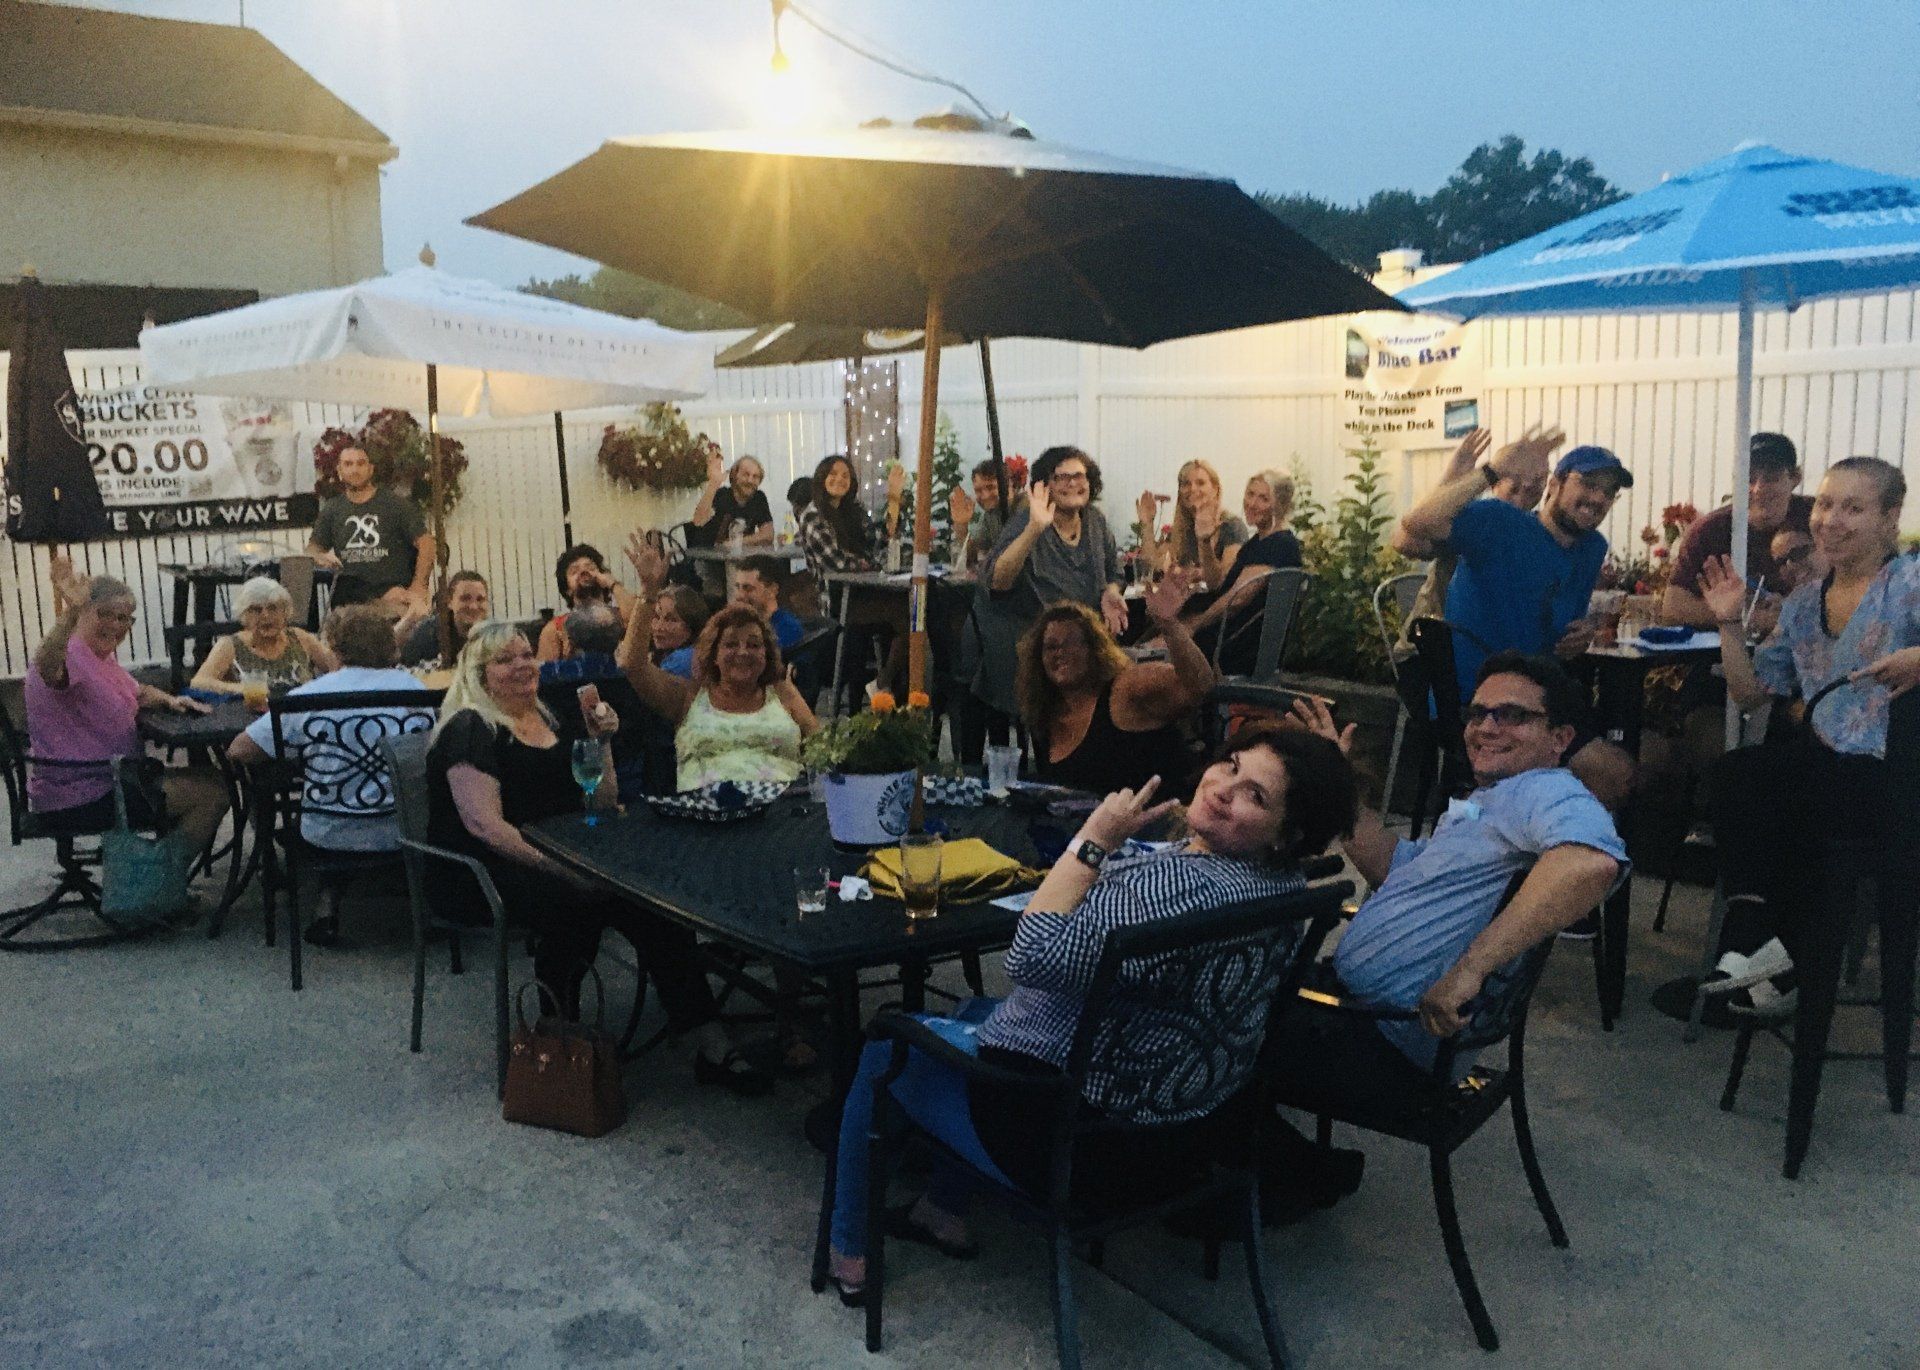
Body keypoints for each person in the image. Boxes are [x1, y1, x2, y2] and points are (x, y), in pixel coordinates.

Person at [823, 725, 1360, 1302]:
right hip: (1184, 1138)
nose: (1224, 788)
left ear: (1288, 833)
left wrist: (1093, 839)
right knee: (979, 1010)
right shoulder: (1283, 889)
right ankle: (940, 1210)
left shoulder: (1167, 890)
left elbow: (1030, 957)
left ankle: (847, 1253)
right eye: (1230, 764)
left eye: (1255, 794)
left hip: (1072, 1149)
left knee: (887, 1044)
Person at [1269, 655, 1625, 1202]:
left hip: (1387, 1041)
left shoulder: (1544, 792)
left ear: (1559, 738)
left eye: (1512, 715)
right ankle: (1290, 1167)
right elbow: (1390, 867)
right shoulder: (1493, 803)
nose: (1487, 726)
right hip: (1358, 1015)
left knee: (1210, 1024)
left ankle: (1266, 1181)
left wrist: (1469, 970)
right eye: (1477, 713)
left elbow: (1589, 862)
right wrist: (1338, 781)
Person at [426, 622, 770, 1092]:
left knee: (655, 903)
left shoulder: (550, 720)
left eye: (526, 655)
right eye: (505, 660)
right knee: (578, 903)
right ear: (479, 673)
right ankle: (559, 1041)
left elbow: (600, 802)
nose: (522, 665)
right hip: (482, 870)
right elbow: (484, 825)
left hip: (562, 852)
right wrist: (559, 867)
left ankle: (705, 1036)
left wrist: (601, 741)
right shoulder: (471, 728)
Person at [1696, 457, 1920, 1016]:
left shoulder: (1911, 584)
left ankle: (1770, 950)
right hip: (1827, 772)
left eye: (1854, 508)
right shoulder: (1801, 604)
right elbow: (1751, 694)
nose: (1831, 520)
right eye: (1825, 504)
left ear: (1890, 517)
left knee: (1788, 789)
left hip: (1898, 778)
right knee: (1739, 773)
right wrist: (1728, 623)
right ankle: (1769, 948)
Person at [1392, 434, 1638, 808]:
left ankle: (1548, 839)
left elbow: (1560, 631)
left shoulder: (1592, 549)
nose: (1598, 498)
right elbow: (1415, 525)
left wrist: (1582, 634)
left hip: (1539, 699)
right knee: (1608, 772)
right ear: (1555, 485)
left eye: (1609, 492)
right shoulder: (1501, 522)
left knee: (1630, 763)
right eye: (1588, 484)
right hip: (1477, 704)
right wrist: (1491, 471)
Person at [227, 605, 432, 943]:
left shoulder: (308, 696)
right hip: (404, 827)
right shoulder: (417, 691)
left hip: (329, 831)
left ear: (334, 648)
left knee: (323, 807)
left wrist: (304, 751)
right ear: (389, 646)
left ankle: (326, 904)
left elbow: (239, 751)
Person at [28, 555, 227, 858]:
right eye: (105, 614)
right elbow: (49, 670)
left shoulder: (99, 657)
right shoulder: (69, 654)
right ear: (83, 611)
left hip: (108, 781)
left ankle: (157, 868)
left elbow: (138, 692)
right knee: (213, 794)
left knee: (216, 778)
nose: (116, 625)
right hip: (82, 793)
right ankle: (164, 875)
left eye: (124, 618)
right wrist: (71, 612)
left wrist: (170, 699)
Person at [970, 446, 1128, 731]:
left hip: (1086, 640)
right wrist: (1034, 529)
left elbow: (1114, 572)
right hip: (1039, 646)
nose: (1072, 483)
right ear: (1045, 486)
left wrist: (1111, 591)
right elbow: (996, 581)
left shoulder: (1095, 520)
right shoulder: (1028, 520)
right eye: (1061, 477)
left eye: (1079, 476)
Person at [1017, 570, 1213, 798]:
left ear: (1094, 649)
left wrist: (1169, 625)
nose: (1060, 652)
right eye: (1051, 647)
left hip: (1159, 815)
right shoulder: (1045, 712)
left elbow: (1199, 687)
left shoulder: (1125, 689)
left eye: (1071, 643)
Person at [617, 600, 817, 791]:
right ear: (714, 655)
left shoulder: (782, 692)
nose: (743, 652)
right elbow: (631, 665)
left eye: (754, 645)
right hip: (706, 810)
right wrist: (648, 593)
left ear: (766, 654)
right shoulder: (689, 696)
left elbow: (822, 746)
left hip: (783, 807)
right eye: (731, 644)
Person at [1397, 426, 1553, 638]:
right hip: (1435, 643)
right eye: (1517, 480)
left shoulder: (1537, 532)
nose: (1529, 482)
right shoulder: (1473, 521)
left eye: (1539, 478)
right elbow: (1404, 541)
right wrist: (1453, 476)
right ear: (1496, 482)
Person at [1663, 432, 1812, 638]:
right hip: (1724, 650)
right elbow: (1673, 607)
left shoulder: (1818, 520)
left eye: (1771, 478)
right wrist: (1746, 617)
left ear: (1795, 478)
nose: (1758, 489)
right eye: (1748, 478)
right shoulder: (1710, 531)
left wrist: (1788, 613)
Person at [796, 453, 907, 692]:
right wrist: (868, 563)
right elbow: (836, 562)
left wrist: (894, 501)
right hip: (838, 599)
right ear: (821, 478)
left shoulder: (854, 510)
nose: (840, 479)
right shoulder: (812, 515)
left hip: (866, 590)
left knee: (913, 609)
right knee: (905, 615)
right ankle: (882, 684)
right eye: (833, 474)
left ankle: (889, 687)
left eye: (845, 475)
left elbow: (880, 540)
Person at [1181, 468, 1306, 667]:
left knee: (1151, 657)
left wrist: (1194, 625)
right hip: (1225, 641)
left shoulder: (1279, 545)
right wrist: (1204, 541)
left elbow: (1236, 599)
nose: (1252, 503)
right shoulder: (1257, 542)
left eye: (1264, 498)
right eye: (1250, 494)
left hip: (1232, 650)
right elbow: (1216, 584)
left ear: (1281, 506)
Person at [306, 446, 434, 612]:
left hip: (392, 598)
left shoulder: (395, 505)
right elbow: (312, 550)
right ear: (339, 470)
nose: (355, 470)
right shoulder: (332, 510)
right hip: (349, 601)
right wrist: (320, 558)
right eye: (348, 464)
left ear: (370, 469)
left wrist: (419, 586)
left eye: (360, 463)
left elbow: (426, 543)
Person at [190, 576, 337, 695]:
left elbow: (338, 666)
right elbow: (199, 682)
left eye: (273, 608)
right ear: (244, 615)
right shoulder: (230, 645)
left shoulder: (300, 638)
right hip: (252, 717)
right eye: (256, 610)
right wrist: (240, 689)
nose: (265, 615)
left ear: (285, 612)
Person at [1138, 459, 1247, 584]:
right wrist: (1147, 524)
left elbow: (1228, 577)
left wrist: (1195, 574)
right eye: (1186, 484)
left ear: (1215, 489)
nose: (1193, 489)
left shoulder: (1232, 526)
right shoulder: (1182, 527)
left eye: (1200, 483)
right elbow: (1154, 565)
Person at [536, 544, 636, 662]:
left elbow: (639, 621)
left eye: (591, 568)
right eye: (574, 571)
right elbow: (543, 671)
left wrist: (612, 583)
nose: (583, 571)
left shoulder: (620, 616)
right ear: (567, 589)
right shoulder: (555, 629)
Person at [395, 570, 490, 667]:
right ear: (449, 602)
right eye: (465, 598)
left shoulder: (493, 636)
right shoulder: (427, 634)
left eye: (480, 599)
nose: (473, 606)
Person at [689, 451, 775, 548]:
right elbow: (698, 521)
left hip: (738, 556)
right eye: (746, 474)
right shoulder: (722, 495)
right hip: (706, 555)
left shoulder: (759, 498)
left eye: (755, 476)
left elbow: (768, 535)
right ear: (735, 476)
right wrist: (714, 483)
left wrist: (737, 542)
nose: (750, 480)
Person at [731, 556, 804, 650]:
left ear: (772, 590)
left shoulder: (788, 630)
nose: (739, 596)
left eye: (748, 588)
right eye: (738, 587)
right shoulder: (735, 626)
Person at [946, 460, 1009, 571]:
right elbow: (973, 556)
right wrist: (961, 524)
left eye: (991, 487)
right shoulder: (990, 516)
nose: (985, 496)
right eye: (978, 490)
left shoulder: (1023, 511)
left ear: (1009, 484)